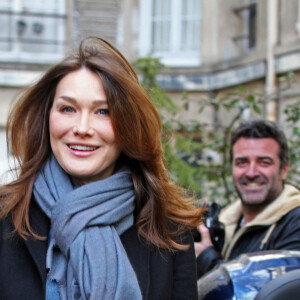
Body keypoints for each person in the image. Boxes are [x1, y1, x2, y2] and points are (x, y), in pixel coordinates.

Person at [0, 36, 204, 300]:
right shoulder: (7, 216)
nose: (82, 128)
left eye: (103, 112)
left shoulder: (169, 228)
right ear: (47, 118)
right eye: (68, 109)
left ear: (128, 126)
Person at [195, 119, 300, 278]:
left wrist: (206, 258)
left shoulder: (295, 223)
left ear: (283, 170)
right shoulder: (226, 222)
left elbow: (266, 290)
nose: (251, 173)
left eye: (264, 162)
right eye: (242, 162)